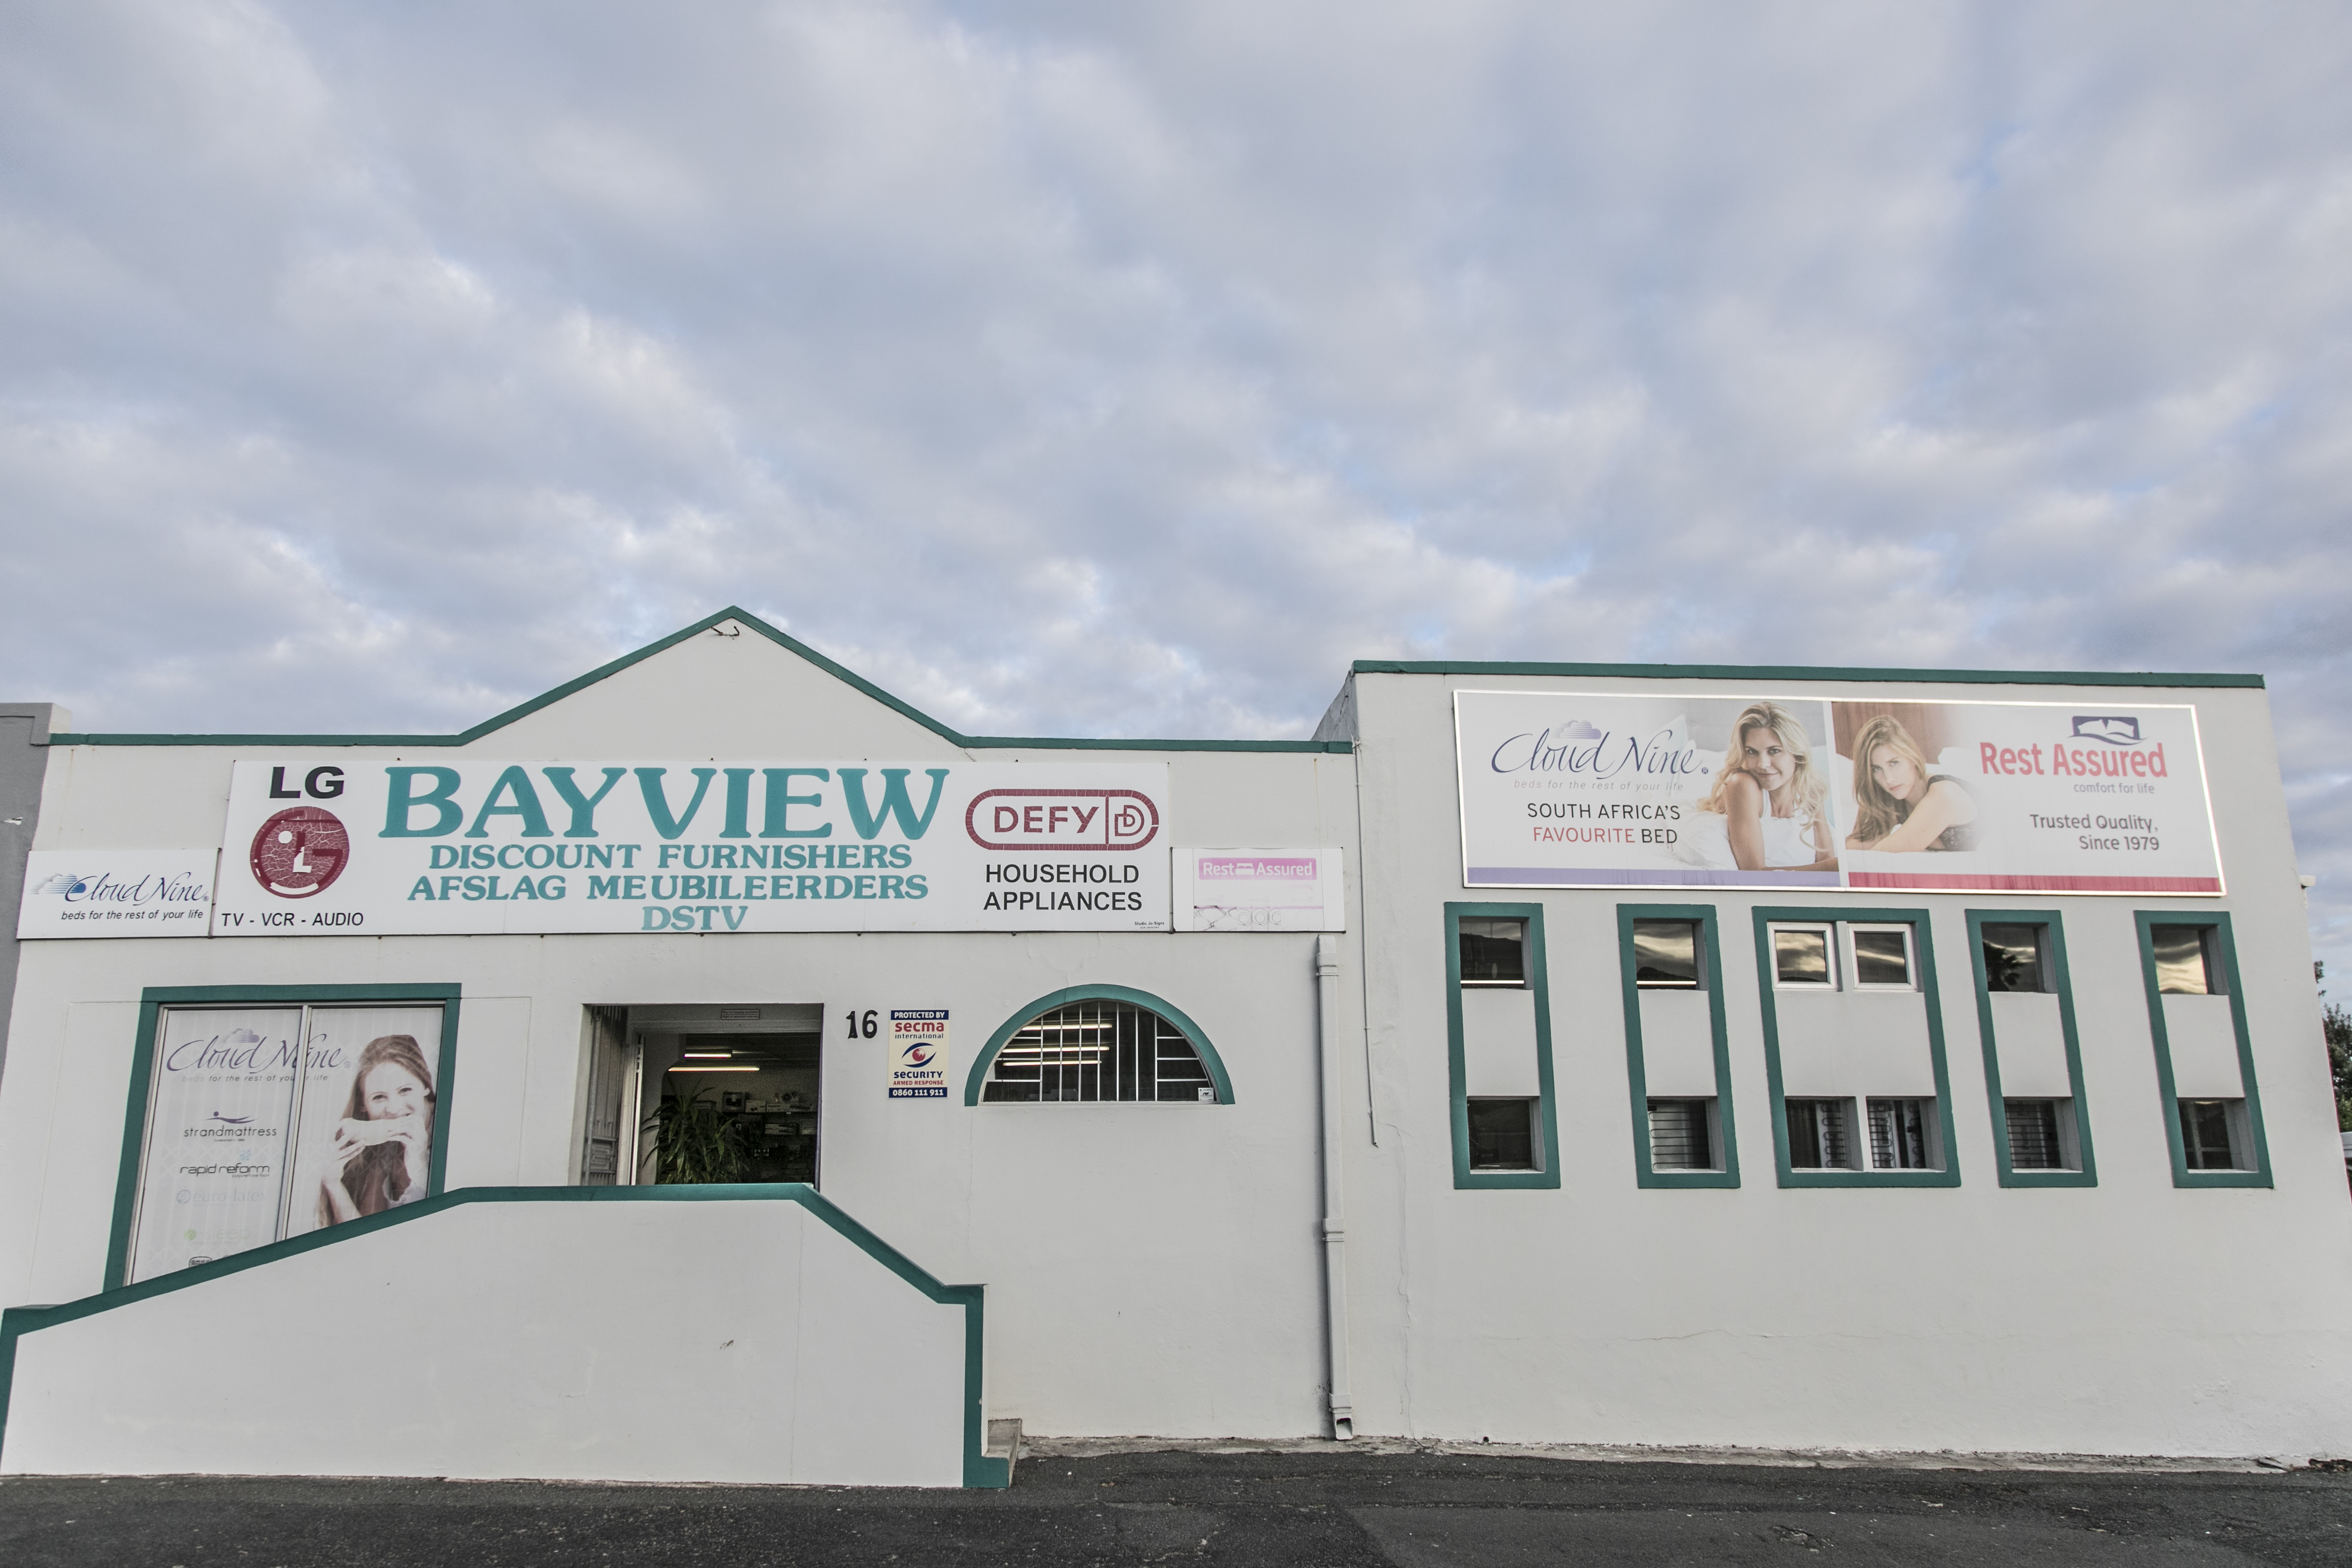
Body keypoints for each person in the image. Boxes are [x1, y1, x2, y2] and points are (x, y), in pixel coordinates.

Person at [1693, 701, 1838, 872]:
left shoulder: (1811, 792)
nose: (1763, 764)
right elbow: (1755, 873)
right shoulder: (1743, 785)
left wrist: (1832, 867)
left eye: (1774, 751)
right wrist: (1834, 867)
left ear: (1796, 753)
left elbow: (1826, 860)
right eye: (1752, 752)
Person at [317, 1034, 435, 1226]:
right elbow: (362, 1236)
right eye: (379, 1097)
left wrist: (420, 1166)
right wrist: (333, 1183)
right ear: (363, 1104)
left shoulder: (455, 1132)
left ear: (425, 1085)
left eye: (405, 1090)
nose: (394, 1109)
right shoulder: (376, 1151)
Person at [1845, 714, 1976, 852]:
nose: (1889, 779)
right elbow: (1853, 851)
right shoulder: (1893, 800)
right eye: (1877, 769)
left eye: (1894, 763)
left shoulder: (1945, 794)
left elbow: (1879, 855)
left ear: (1912, 756)